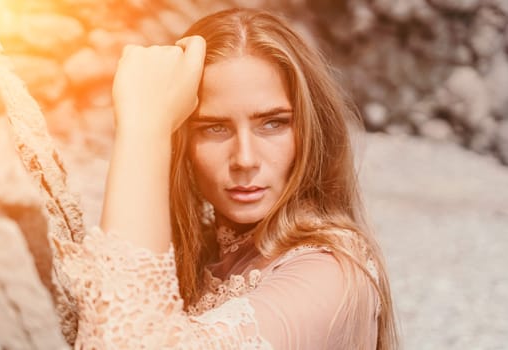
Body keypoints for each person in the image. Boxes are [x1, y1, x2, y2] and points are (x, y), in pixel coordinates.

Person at [52, 8, 398, 349]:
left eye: (273, 123)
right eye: (215, 128)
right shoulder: (201, 251)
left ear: (310, 130)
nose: (244, 159)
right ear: (183, 143)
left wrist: (143, 127)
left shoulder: (329, 273)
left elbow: (126, 343)